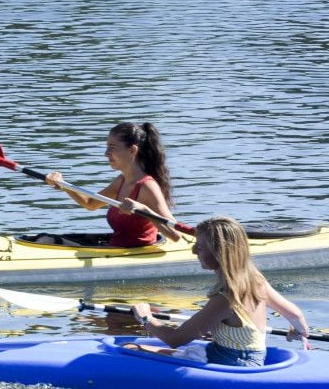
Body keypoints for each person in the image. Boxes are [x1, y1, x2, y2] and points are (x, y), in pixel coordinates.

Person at [128, 216, 309, 367]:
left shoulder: (225, 299)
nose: (193, 252)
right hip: (240, 357)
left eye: (199, 247)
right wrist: (299, 331)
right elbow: (295, 314)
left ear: (219, 252)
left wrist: (146, 318)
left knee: (131, 349)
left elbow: (175, 338)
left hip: (233, 365)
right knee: (134, 348)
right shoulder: (256, 280)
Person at [45, 122, 182, 246]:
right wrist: (63, 185)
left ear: (133, 150)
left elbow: (176, 235)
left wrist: (144, 210)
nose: (106, 153)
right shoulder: (121, 181)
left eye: (112, 147)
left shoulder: (147, 187)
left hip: (134, 256)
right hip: (114, 249)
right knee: (44, 239)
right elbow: (90, 203)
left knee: (47, 241)